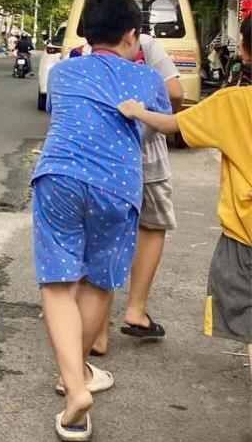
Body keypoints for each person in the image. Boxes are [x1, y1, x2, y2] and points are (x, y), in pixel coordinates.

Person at [32, 0, 172, 442]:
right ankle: (75, 375)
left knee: (59, 285)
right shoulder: (147, 79)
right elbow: (158, 129)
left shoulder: (64, 72)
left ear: (87, 34)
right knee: (96, 282)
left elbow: (62, 113)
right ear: (132, 35)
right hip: (117, 188)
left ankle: (76, 387)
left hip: (58, 178)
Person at [118, 13, 251, 376]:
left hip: (245, 236)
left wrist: (138, 111)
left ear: (243, 50)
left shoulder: (233, 102)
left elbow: (173, 124)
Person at [77, 32, 185, 354]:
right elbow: (175, 93)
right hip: (148, 161)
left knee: (104, 233)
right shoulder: (147, 46)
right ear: (131, 32)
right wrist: (157, 118)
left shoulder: (85, 53)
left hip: (104, 160)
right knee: (152, 226)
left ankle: (98, 334)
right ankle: (136, 310)